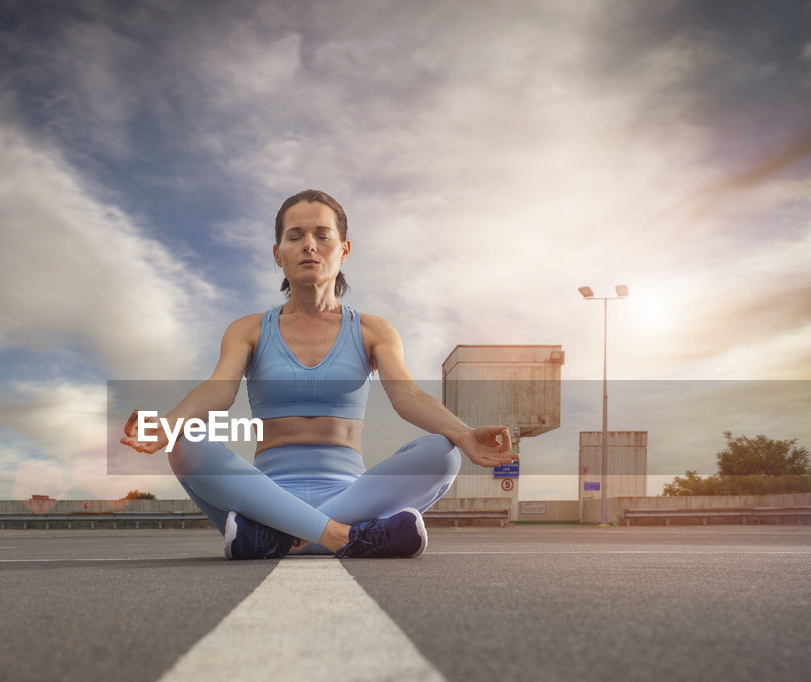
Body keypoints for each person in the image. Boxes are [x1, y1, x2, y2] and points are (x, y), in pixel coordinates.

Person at [120, 189, 516, 559]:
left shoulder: (373, 330)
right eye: (295, 236)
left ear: (344, 250)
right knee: (185, 441)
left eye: (322, 235)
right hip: (264, 493)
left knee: (444, 453)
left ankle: (274, 538)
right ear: (278, 253)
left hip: (353, 492)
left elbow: (408, 396)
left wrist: (464, 434)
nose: (309, 244)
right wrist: (169, 423)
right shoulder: (249, 329)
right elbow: (217, 391)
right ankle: (344, 537)